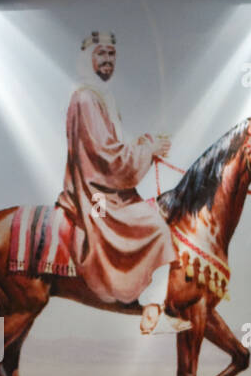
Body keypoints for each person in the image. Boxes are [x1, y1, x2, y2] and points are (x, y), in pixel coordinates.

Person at [55, 30, 176, 334]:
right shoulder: (85, 98)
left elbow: (114, 148)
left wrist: (147, 144)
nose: (108, 61)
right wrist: (149, 148)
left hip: (110, 185)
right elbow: (107, 158)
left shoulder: (100, 97)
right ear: (87, 59)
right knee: (157, 229)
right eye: (101, 54)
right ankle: (150, 302)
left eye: (112, 55)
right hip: (95, 192)